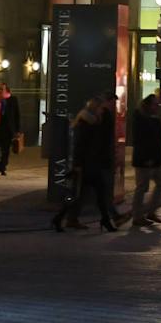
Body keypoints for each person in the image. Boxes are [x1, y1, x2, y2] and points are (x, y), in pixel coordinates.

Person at [52, 94, 120, 232]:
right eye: (101, 108)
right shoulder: (85, 123)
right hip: (86, 165)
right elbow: (80, 145)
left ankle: (60, 218)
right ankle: (105, 221)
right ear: (95, 108)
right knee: (89, 194)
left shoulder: (93, 121)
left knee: (85, 195)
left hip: (90, 164)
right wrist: (77, 165)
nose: (103, 110)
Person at [128, 93, 161, 228]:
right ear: (148, 105)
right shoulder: (140, 118)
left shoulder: (155, 117)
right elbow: (142, 140)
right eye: (155, 104)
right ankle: (137, 216)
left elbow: (159, 138)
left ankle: (151, 211)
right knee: (142, 187)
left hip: (155, 159)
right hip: (144, 159)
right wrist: (148, 158)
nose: (157, 107)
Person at [0, 81, 21, 176]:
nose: (0, 90)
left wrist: (17, 130)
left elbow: (17, 115)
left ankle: (2, 167)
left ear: (6, 89)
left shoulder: (12, 99)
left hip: (7, 128)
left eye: (2, 89)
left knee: (5, 149)